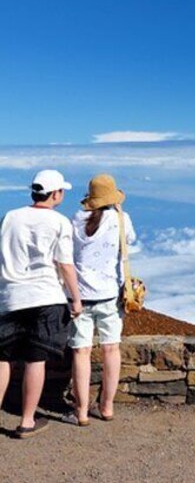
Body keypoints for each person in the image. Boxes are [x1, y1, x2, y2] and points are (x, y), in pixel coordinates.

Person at [0, 170, 83, 438]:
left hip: (11, 296)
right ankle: (26, 421)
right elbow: (65, 264)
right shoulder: (59, 222)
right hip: (46, 297)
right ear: (55, 193)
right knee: (36, 360)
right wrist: (76, 298)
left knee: (3, 358)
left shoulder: (11, 217)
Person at [66, 174, 135, 426]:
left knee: (81, 353)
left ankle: (81, 411)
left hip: (79, 296)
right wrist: (119, 211)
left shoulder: (76, 219)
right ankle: (106, 407)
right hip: (110, 295)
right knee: (111, 349)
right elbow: (129, 241)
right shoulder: (120, 219)